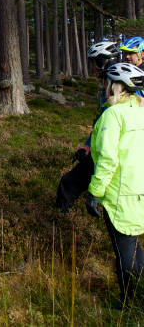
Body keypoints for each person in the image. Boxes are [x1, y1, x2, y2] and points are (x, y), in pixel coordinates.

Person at [85, 62, 144, 306]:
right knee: (132, 244)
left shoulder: (113, 115)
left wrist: (94, 193)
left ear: (117, 86)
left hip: (121, 194)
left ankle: (129, 303)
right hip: (138, 190)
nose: (104, 87)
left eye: (107, 83)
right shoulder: (140, 110)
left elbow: (108, 159)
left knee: (124, 252)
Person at [56, 41, 121, 212]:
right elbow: (101, 121)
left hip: (109, 152)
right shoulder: (109, 83)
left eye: (94, 62)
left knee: (69, 183)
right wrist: (88, 144)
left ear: (102, 61)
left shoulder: (117, 86)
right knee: (70, 183)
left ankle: (57, 220)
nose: (92, 67)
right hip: (102, 148)